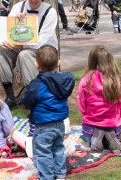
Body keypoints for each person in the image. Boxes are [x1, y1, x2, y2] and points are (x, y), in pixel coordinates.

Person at [0, 0, 58, 109]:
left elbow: (42, 40)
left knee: (25, 55)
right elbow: (9, 29)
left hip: (44, 49)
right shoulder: (18, 7)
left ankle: (33, 96)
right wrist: (8, 39)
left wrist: (20, 45)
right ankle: (10, 97)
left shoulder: (50, 12)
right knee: (0, 55)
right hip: (19, 46)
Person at [21, 45, 75, 180]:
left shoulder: (36, 85)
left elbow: (26, 100)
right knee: (58, 149)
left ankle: (47, 176)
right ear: (58, 63)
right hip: (59, 124)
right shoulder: (64, 81)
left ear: (36, 64)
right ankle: (60, 174)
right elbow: (70, 77)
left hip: (43, 125)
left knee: (42, 152)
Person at [77, 45, 121, 153]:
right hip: (114, 126)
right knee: (113, 131)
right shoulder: (118, 81)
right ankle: (110, 137)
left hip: (91, 127)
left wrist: (88, 114)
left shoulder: (86, 80)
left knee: (89, 133)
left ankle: (97, 137)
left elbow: (82, 104)